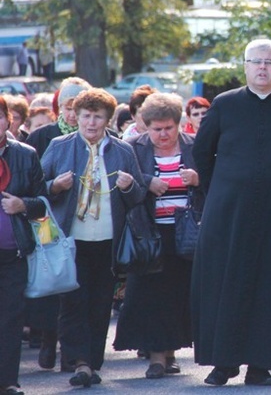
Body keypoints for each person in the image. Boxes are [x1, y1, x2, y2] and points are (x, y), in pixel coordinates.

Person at [191, 38, 271, 387]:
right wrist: (219, 192)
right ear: (245, 66)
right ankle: (223, 362)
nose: (262, 67)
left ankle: (262, 364)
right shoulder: (224, 105)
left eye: (270, 62)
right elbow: (202, 154)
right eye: (256, 61)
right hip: (228, 213)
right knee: (225, 283)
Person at [41, 88, 147, 388]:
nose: (90, 122)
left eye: (97, 117)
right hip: (70, 239)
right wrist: (55, 186)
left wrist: (128, 187)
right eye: (85, 116)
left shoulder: (122, 150)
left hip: (107, 240)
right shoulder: (59, 146)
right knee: (73, 302)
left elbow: (138, 195)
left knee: (100, 304)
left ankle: (92, 361)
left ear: (107, 119)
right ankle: (80, 362)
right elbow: (37, 189)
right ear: (77, 117)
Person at [114, 92, 202, 379]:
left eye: (168, 128)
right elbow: (123, 185)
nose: (163, 134)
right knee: (149, 294)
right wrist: (147, 182)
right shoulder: (132, 148)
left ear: (179, 124)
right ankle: (155, 358)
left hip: (185, 230)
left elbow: (215, 180)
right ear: (145, 126)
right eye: (156, 129)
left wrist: (198, 179)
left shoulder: (195, 146)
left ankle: (171, 353)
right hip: (148, 231)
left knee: (178, 293)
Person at [24, 77, 93, 372]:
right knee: (54, 281)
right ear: (60, 107)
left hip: (84, 223)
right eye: (69, 106)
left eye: (80, 106)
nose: (73, 113)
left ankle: (73, 352)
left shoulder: (95, 136)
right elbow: (30, 180)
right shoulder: (45, 137)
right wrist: (53, 186)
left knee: (77, 286)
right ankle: (50, 338)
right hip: (47, 219)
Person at [0, 96, 47, 395]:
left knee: (10, 320)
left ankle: (7, 381)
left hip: (13, 253)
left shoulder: (26, 155)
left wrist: (23, 205)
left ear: (8, 120)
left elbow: (42, 203)